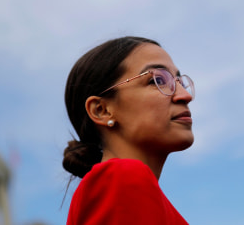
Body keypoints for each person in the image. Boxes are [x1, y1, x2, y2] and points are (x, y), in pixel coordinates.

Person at [63, 36, 195, 225]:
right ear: (102, 110)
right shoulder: (122, 177)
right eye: (157, 80)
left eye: (180, 82)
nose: (185, 95)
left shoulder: (122, 185)